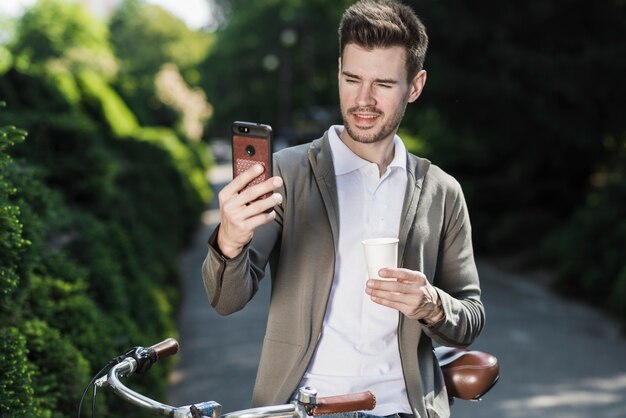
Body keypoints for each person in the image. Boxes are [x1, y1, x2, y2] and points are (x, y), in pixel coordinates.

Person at [202, 1, 484, 417]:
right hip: (301, 408)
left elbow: (470, 317)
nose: (363, 99)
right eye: (352, 79)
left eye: (384, 84)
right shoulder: (287, 173)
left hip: (404, 410)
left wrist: (431, 304)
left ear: (416, 85)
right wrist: (229, 239)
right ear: (338, 71)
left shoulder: (442, 191)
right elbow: (226, 300)